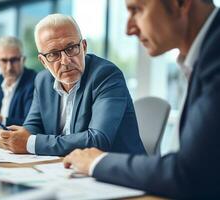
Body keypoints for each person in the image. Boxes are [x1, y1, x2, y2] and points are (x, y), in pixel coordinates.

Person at [63, 0, 220, 198]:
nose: (129, 29)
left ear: (180, 3)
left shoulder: (215, 61)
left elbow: (191, 173)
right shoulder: (204, 57)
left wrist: (96, 162)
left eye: (136, 10)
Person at [0, 14, 145, 156]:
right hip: (65, 169)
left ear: (84, 47)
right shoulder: (42, 81)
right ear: (43, 61)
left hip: (119, 174)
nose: (65, 61)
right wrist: (14, 138)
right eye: (53, 54)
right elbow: (33, 127)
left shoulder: (106, 75)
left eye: (71, 48)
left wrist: (31, 143)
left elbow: (98, 140)